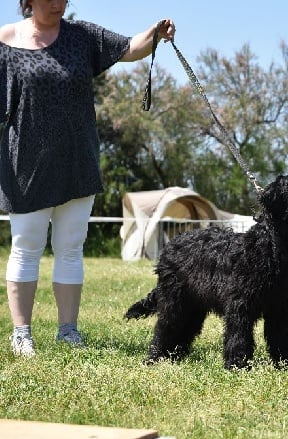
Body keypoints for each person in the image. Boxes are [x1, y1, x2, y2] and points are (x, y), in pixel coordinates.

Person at [0, 0, 176, 356]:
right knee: (26, 247)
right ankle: (22, 335)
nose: (57, 3)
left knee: (70, 248)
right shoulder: (4, 42)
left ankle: (68, 332)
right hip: (25, 166)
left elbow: (130, 48)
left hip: (78, 162)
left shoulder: (82, 37)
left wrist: (154, 33)